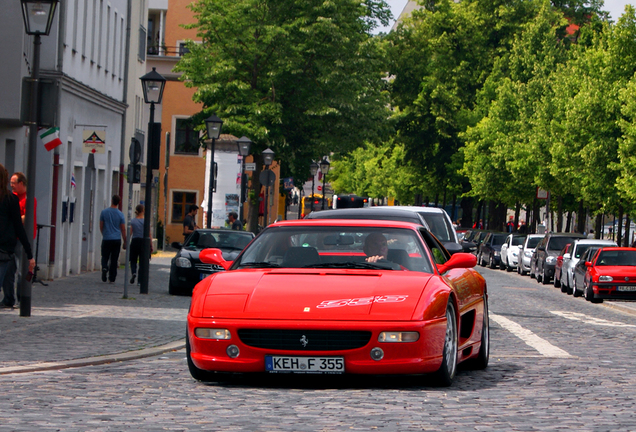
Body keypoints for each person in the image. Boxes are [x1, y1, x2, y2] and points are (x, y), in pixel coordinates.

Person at [0, 164, 35, 309]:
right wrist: (30, 254)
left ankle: (12, 298)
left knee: (13, 272)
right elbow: (19, 227)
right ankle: (10, 298)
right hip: (4, 247)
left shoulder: (18, 199)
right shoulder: (11, 199)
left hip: (6, 247)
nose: (12, 185)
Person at [99, 195, 126, 283]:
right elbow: (122, 228)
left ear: (111, 200)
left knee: (105, 256)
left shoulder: (104, 212)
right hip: (116, 239)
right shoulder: (120, 214)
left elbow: (101, 226)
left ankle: (104, 267)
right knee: (114, 259)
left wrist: (104, 234)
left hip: (107, 238)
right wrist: (125, 240)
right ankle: (112, 277)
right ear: (119, 202)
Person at [128, 204, 146, 285]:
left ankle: (134, 272)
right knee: (142, 261)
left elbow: (130, 232)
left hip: (135, 241)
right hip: (143, 242)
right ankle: (140, 280)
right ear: (143, 211)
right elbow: (148, 233)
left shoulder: (133, 221)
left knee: (133, 259)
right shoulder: (145, 221)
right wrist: (150, 245)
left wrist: (127, 241)